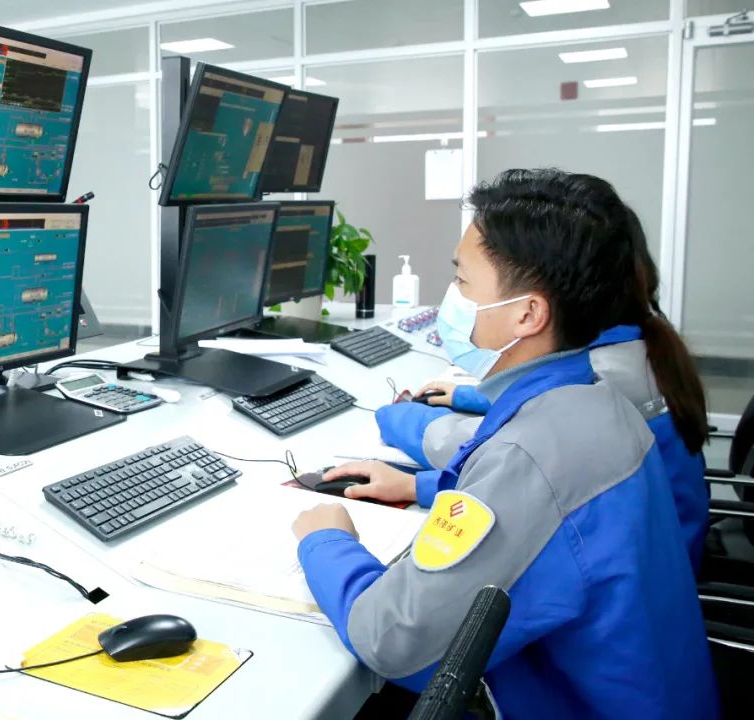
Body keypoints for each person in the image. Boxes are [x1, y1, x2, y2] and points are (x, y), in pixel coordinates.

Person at [293, 169, 718, 718]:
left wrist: (326, 539)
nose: (452, 299)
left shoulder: (538, 450)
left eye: (462, 282)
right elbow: (542, 506)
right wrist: (423, 487)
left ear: (528, 313)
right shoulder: (597, 401)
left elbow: (392, 639)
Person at [374, 206, 710, 570]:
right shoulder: (636, 348)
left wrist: (395, 416)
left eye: (462, 280)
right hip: (657, 555)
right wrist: (468, 396)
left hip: (643, 563)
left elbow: (488, 453)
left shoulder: (597, 384)